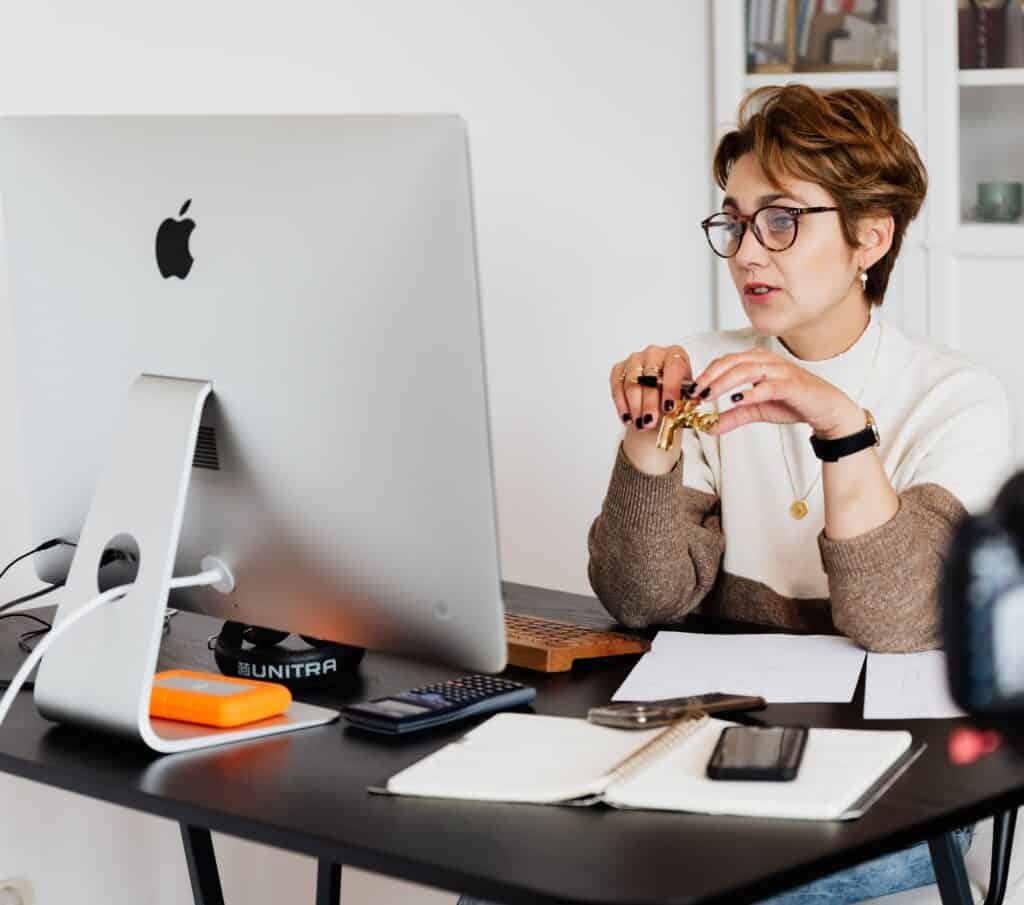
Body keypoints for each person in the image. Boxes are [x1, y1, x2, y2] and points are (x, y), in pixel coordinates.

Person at [460, 84, 1006, 905]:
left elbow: (897, 621)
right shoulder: (707, 369)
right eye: (735, 221)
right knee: (501, 874)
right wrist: (648, 442)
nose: (749, 252)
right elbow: (643, 597)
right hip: (714, 750)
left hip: (906, 786)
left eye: (782, 219)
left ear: (871, 236)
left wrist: (839, 425)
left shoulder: (956, 398)